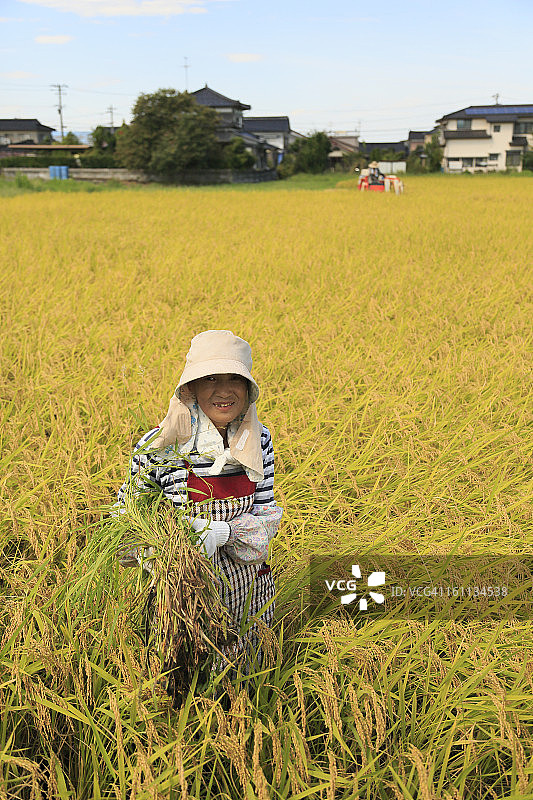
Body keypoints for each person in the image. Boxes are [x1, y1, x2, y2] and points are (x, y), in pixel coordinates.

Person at [114, 329, 283, 679]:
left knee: (248, 683)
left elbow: (266, 515)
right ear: (190, 388)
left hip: (249, 592)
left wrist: (222, 532)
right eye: (210, 379)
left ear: (248, 388)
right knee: (183, 683)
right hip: (185, 595)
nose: (224, 391)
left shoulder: (258, 439)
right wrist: (164, 550)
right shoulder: (160, 447)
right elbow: (124, 526)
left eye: (234, 378)